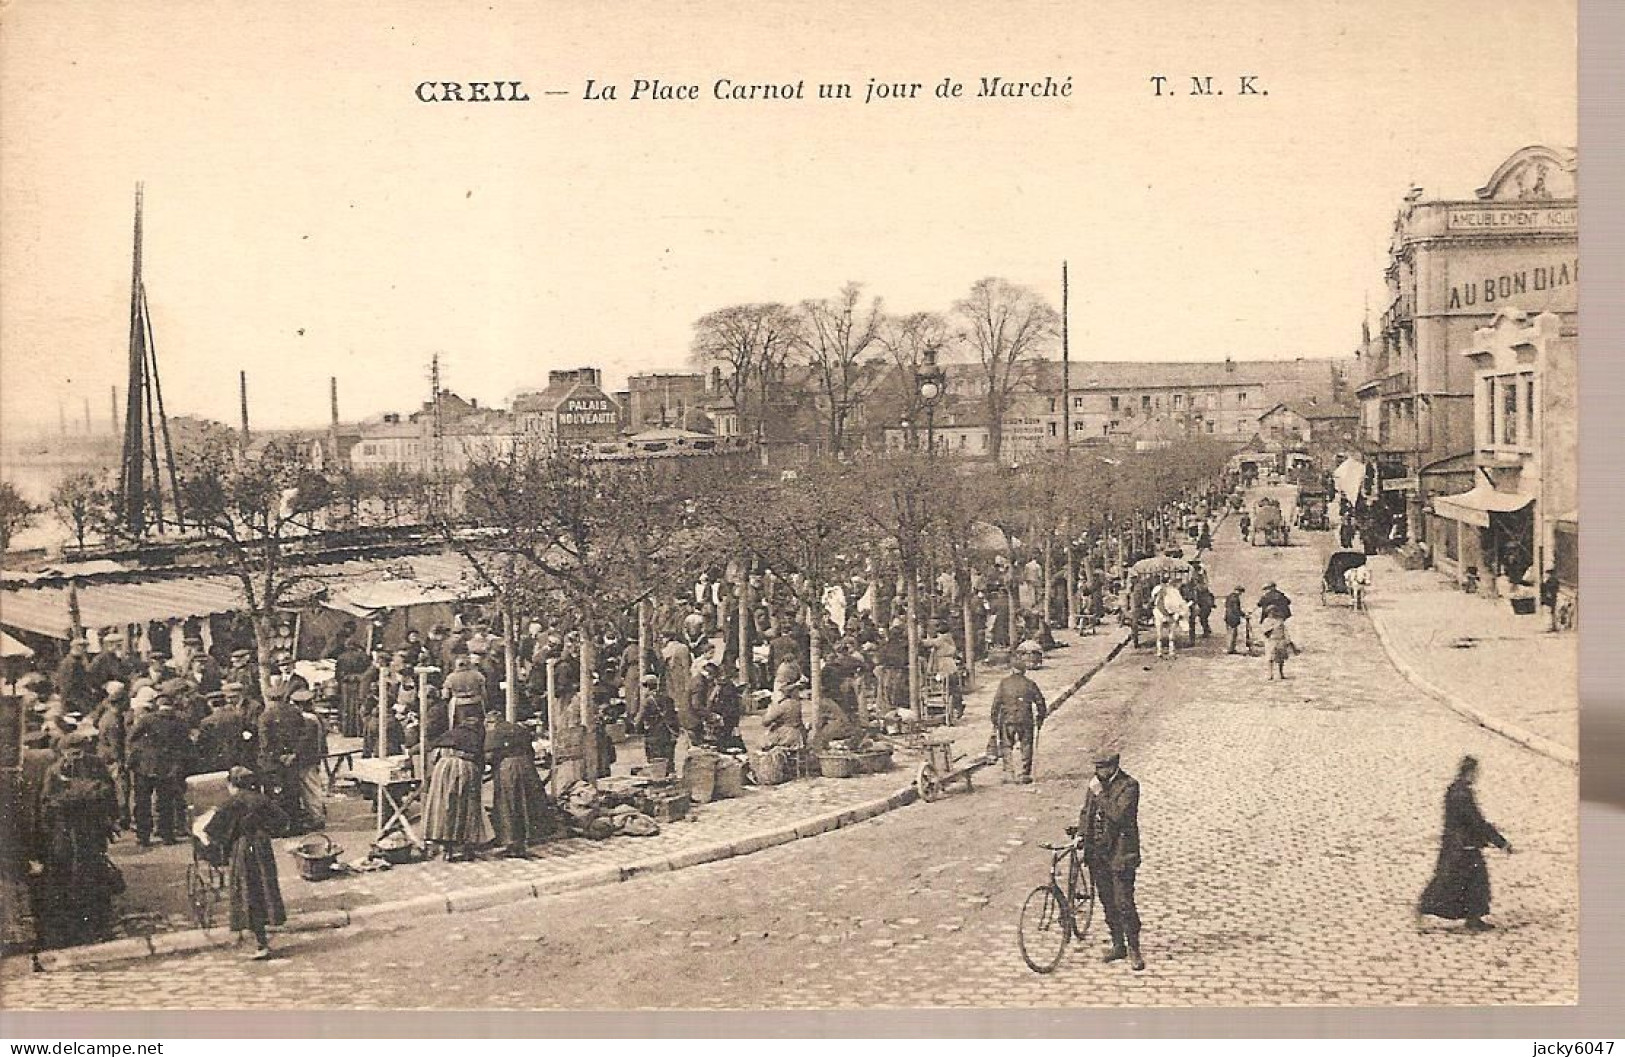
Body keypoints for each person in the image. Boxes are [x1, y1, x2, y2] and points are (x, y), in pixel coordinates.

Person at [37, 728, 121, 948]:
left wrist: (112, 817)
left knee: (94, 867)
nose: (75, 756)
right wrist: (83, 795)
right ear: (63, 752)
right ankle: (74, 921)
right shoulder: (54, 771)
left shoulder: (95, 765)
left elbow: (108, 791)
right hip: (65, 829)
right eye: (70, 752)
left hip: (92, 826)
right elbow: (47, 801)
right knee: (67, 871)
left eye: (79, 752)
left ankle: (98, 919)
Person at [1418, 755, 1513, 932]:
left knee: (1468, 882)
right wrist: (1500, 842)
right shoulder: (1462, 794)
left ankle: (1472, 918)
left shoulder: (1454, 789)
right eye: (1475, 773)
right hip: (1463, 847)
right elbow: (1476, 821)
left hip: (1456, 845)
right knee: (1465, 882)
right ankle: (1427, 907)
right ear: (1470, 772)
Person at [203, 767, 288, 960]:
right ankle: (262, 935)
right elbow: (283, 820)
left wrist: (221, 842)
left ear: (232, 784)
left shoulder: (231, 803)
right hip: (263, 848)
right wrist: (265, 829)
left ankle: (260, 943)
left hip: (243, 850)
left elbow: (212, 831)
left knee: (248, 893)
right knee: (265, 888)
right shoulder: (261, 799)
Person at [1078, 750, 1144, 971]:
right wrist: (1080, 833)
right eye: (1097, 768)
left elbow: (1119, 815)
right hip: (1098, 853)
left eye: (1103, 768)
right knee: (1107, 901)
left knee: (1124, 902)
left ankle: (1134, 947)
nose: (1099, 773)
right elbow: (1086, 812)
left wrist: (1099, 794)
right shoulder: (1095, 785)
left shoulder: (1129, 786)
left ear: (1114, 766)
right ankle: (1118, 944)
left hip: (1121, 853)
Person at [484, 706, 559, 857]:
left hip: (508, 767)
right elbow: (530, 751)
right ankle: (528, 837)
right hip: (526, 766)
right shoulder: (518, 729)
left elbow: (489, 756)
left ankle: (511, 841)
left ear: (491, 722)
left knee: (508, 804)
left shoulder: (494, 733)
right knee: (527, 802)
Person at [126, 692, 192, 846]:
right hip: (167, 768)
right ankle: (167, 835)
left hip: (144, 767)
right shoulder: (180, 722)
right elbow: (185, 745)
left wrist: (139, 752)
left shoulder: (146, 720)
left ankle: (143, 837)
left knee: (142, 802)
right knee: (165, 803)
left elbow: (131, 738)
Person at [422, 714, 491, 862]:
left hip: (443, 770)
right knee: (467, 809)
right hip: (465, 770)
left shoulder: (448, 735)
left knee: (445, 808)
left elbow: (433, 757)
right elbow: (481, 761)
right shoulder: (476, 738)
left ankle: (447, 849)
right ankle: (467, 846)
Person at [991, 656, 1046, 784]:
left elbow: (996, 702)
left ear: (1012, 669)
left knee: (1006, 746)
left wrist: (994, 719)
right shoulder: (1030, 684)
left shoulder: (1004, 683)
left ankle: (1009, 773)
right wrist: (1040, 718)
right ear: (1024, 670)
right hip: (1025, 719)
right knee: (1026, 745)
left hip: (1007, 719)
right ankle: (1024, 774)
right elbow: (1040, 702)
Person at [1260, 606, 1291, 680]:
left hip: (1280, 640)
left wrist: (1288, 640)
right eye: (1271, 612)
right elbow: (1265, 632)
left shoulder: (1280, 620)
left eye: (1275, 611)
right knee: (1270, 658)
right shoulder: (1266, 621)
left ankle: (1281, 673)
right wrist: (1273, 628)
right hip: (1271, 641)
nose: (1273, 613)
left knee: (1281, 658)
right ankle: (1270, 674)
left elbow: (1285, 630)